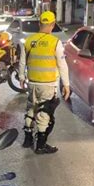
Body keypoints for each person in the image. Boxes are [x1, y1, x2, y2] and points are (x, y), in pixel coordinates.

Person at [19, 11, 70, 154]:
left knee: (31, 108)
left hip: (32, 83)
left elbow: (22, 62)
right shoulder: (55, 42)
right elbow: (62, 65)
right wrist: (66, 85)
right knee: (44, 113)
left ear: (40, 23)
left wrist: (22, 78)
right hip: (47, 84)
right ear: (52, 24)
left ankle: (27, 139)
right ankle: (40, 145)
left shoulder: (28, 40)